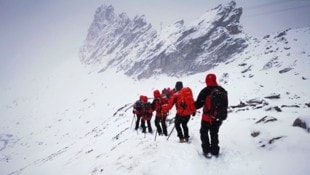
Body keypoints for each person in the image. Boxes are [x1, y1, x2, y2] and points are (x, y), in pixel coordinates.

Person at [195, 73, 228, 157]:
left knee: (204, 133)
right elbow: (225, 104)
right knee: (214, 133)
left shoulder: (205, 91)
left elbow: (197, 105)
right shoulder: (222, 90)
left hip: (206, 118)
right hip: (218, 117)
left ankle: (206, 151)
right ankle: (215, 151)